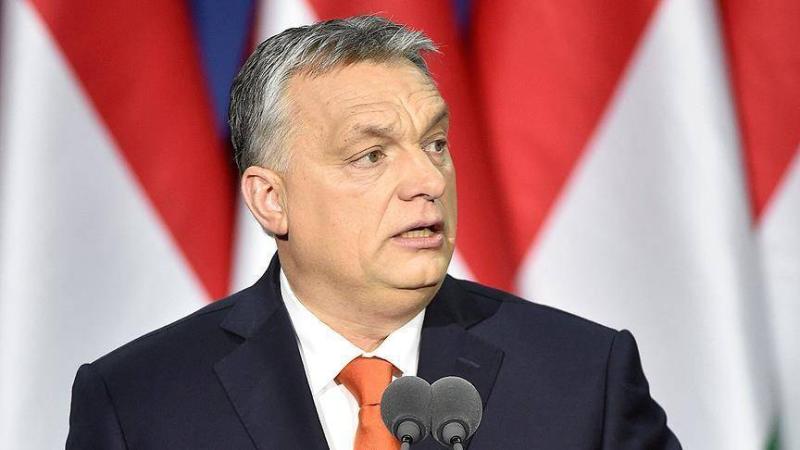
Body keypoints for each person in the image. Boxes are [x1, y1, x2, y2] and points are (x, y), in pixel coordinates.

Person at [67, 16, 681, 449]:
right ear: (272, 200)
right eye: (371, 155)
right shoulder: (138, 403)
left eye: (435, 143)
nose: (428, 180)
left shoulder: (583, 377)